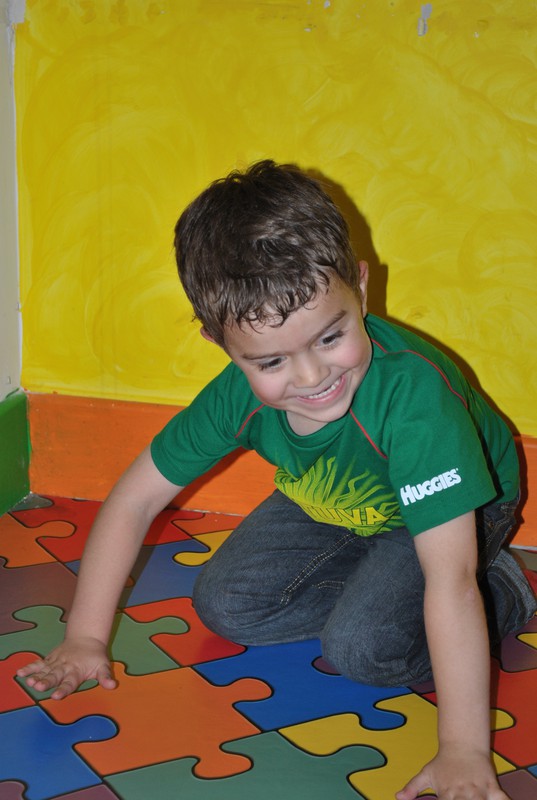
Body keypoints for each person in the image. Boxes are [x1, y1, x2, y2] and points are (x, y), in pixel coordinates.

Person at [18, 161, 535, 799]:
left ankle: (503, 588)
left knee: (363, 649)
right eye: (270, 362)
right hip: (337, 499)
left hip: (457, 506)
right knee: (226, 605)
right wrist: (85, 637)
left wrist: (463, 750)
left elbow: (448, 582)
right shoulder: (234, 396)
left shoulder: (414, 402)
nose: (312, 377)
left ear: (361, 289)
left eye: (331, 337)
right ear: (220, 343)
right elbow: (134, 500)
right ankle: (380, 583)